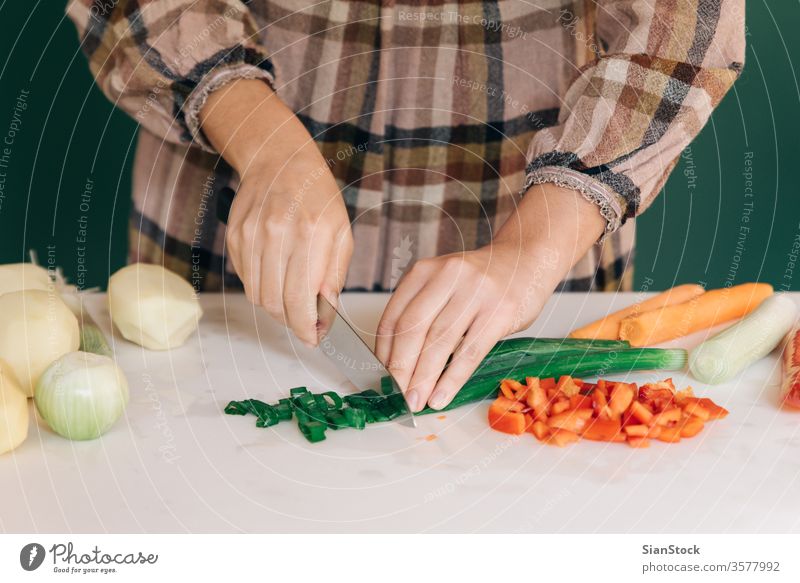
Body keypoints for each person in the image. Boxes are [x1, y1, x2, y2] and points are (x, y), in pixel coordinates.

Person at [68, 0, 744, 412]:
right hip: (228, 200)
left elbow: (685, 26)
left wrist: (529, 248)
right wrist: (265, 143)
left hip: (542, 231)